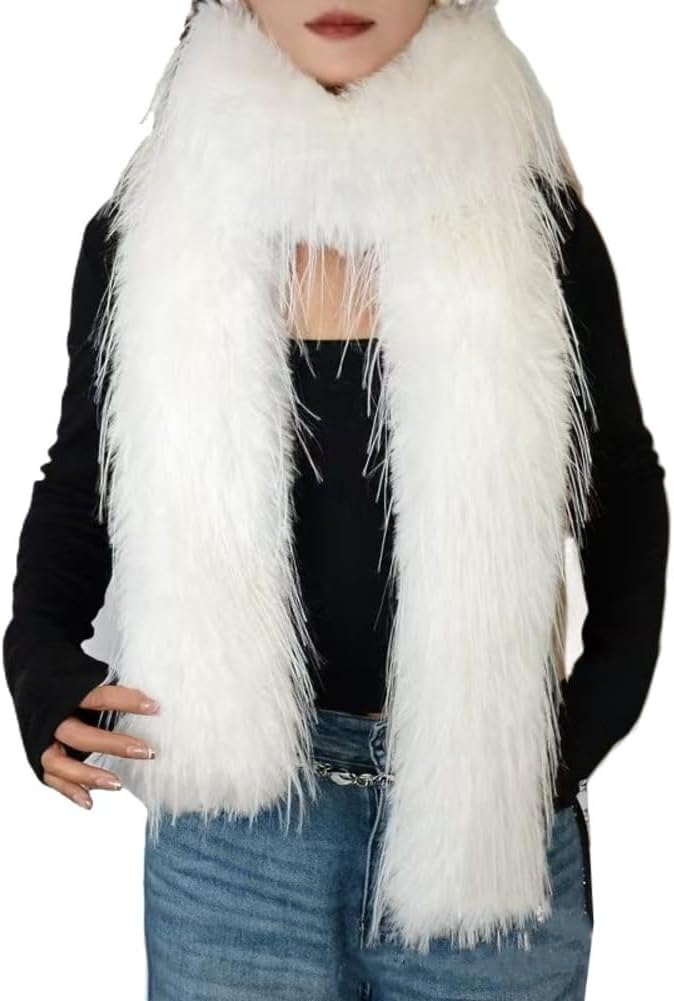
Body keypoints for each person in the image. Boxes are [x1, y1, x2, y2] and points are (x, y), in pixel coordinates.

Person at [3, 1, 669, 998]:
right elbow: (81, 478)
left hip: (483, 822)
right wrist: (37, 653)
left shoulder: (533, 226)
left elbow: (621, 485)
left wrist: (575, 731)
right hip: (233, 840)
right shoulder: (146, 236)